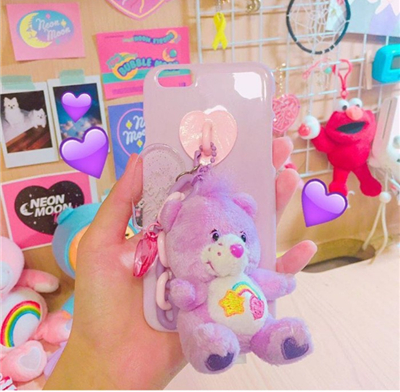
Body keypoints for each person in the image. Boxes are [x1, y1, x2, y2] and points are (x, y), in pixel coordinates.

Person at [45, 137, 316, 390]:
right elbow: (187, 296)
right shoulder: (194, 266)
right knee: (205, 333)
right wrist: (183, 292)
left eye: (242, 238)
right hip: (213, 325)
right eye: (215, 237)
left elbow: (267, 283)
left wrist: (282, 284)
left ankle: (277, 340)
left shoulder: (247, 273)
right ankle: (214, 350)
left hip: (256, 322)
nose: (235, 245)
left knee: (268, 329)